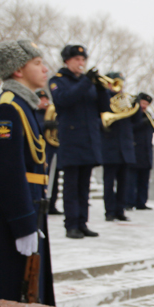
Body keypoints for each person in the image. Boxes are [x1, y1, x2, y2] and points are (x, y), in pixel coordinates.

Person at [0, 40, 55, 304]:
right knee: (13, 290)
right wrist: (23, 224)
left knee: (31, 289)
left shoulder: (24, 104)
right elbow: (7, 170)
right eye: (37, 63)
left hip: (31, 203)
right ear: (18, 70)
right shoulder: (7, 107)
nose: (45, 69)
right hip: (13, 212)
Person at [50, 44, 103, 239]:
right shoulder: (58, 81)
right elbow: (64, 99)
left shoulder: (87, 83)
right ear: (67, 61)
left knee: (84, 187)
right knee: (71, 187)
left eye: (83, 60)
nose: (81, 63)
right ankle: (71, 224)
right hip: (71, 141)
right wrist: (87, 82)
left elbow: (103, 107)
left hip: (89, 140)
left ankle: (82, 223)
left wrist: (101, 89)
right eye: (77, 60)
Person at [99, 71, 135, 222]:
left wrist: (136, 106)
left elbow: (134, 122)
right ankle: (109, 211)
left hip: (125, 148)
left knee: (124, 182)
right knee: (109, 182)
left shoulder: (124, 99)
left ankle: (120, 210)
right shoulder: (104, 98)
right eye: (115, 82)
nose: (119, 86)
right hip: (110, 147)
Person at [33, 89, 62, 215]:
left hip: (53, 150)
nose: (44, 101)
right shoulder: (34, 113)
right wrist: (46, 125)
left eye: (46, 99)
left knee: (54, 179)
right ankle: (42, 203)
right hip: (41, 152)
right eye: (41, 99)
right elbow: (34, 128)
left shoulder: (52, 113)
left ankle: (52, 205)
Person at [127, 94, 154, 210]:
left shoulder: (148, 115)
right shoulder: (131, 114)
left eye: (147, 104)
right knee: (131, 180)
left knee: (144, 180)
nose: (145, 106)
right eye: (143, 103)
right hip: (135, 151)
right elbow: (130, 128)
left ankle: (141, 202)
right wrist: (143, 122)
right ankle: (129, 202)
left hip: (146, 151)